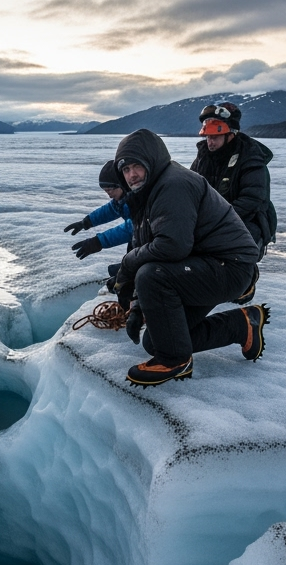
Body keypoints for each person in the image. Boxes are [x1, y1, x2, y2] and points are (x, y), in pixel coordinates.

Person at [112, 128, 269, 386]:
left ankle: (175, 361)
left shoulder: (173, 184)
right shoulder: (149, 192)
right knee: (157, 340)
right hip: (206, 265)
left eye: (136, 166)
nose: (131, 175)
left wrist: (128, 266)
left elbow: (173, 247)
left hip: (230, 266)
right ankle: (241, 324)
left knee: (151, 276)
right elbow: (150, 247)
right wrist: (139, 306)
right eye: (126, 170)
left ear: (152, 161)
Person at [189, 102, 276, 304]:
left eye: (215, 137)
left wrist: (218, 220)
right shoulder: (203, 156)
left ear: (231, 134)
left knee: (237, 248)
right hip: (212, 218)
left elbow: (253, 200)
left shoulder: (251, 157)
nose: (210, 142)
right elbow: (191, 187)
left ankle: (246, 278)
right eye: (208, 136)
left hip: (247, 220)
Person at [64, 160, 133, 284]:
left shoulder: (136, 201)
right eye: (106, 191)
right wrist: (86, 222)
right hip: (139, 241)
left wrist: (98, 241)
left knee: (136, 249)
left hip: (155, 243)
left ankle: (131, 275)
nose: (109, 195)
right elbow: (110, 210)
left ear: (121, 184)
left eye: (110, 190)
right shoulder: (123, 200)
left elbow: (133, 228)